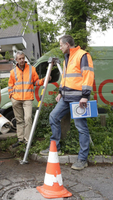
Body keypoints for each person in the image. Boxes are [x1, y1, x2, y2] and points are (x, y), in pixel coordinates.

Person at [40, 35, 94, 170]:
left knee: (81, 127)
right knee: (53, 116)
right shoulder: (67, 58)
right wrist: (60, 92)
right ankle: (55, 147)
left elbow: (88, 75)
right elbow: (65, 78)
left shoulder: (82, 55)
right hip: (66, 97)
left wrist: (85, 96)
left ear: (67, 45)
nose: (60, 47)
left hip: (78, 98)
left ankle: (82, 159)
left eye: (61, 45)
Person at [8, 51, 48, 148]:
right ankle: (20, 139)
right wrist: (11, 96)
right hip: (16, 99)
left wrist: (44, 80)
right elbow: (10, 85)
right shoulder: (13, 72)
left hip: (27, 98)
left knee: (28, 118)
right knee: (19, 120)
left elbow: (36, 82)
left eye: (23, 58)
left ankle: (27, 141)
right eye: (20, 59)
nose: (22, 60)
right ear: (16, 60)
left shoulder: (32, 69)